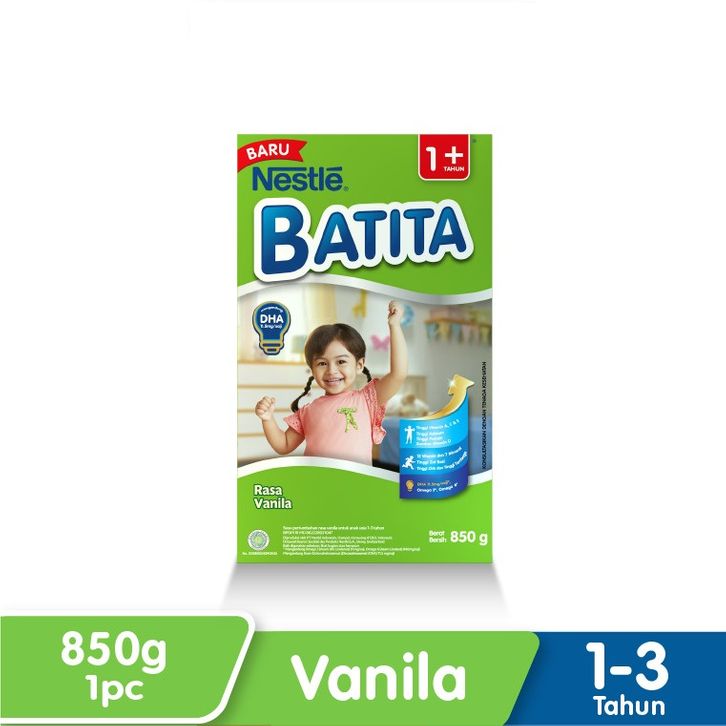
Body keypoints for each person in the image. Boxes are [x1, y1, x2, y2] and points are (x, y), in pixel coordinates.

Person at [255, 301, 408, 465]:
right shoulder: (307, 411)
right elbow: (284, 445)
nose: (331, 371)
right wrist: (267, 418)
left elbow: (398, 374)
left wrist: (394, 325)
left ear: (359, 365)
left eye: (341, 362)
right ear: (312, 369)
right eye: (322, 363)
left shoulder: (367, 400)